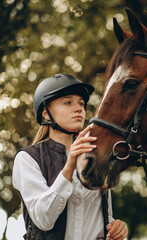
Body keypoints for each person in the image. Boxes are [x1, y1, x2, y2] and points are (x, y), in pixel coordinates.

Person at [12, 73, 128, 240]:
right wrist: (69, 166)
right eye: (68, 102)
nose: (79, 108)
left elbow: (102, 216)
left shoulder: (95, 157)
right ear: (45, 113)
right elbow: (43, 219)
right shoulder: (27, 158)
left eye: (81, 103)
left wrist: (116, 227)